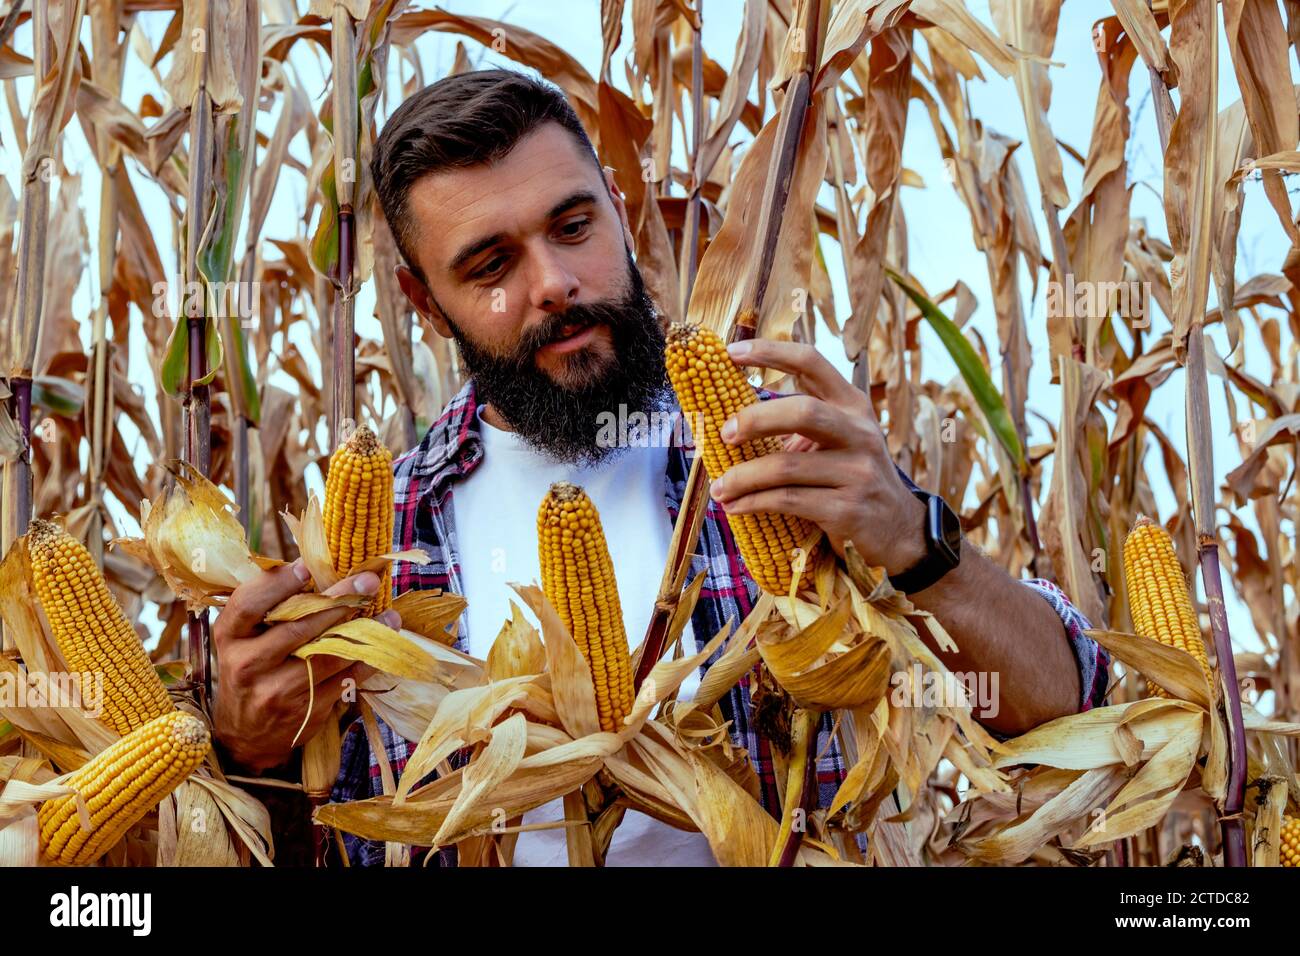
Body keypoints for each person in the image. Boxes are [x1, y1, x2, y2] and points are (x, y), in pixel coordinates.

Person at [212, 69, 1109, 867]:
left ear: (616, 202)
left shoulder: (784, 455)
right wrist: (249, 751)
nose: (554, 282)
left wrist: (917, 541)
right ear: (421, 298)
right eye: (491, 265)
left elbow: (1067, 711)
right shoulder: (376, 538)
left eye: (573, 225)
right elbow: (318, 834)